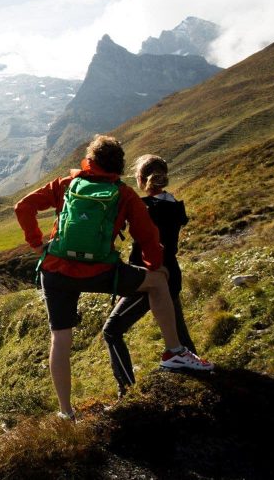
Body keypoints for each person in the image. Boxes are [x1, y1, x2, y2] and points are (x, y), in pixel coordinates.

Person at [14, 135, 212, 420]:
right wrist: (156, 265)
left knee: (60, 338)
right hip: (101, 272)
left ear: (90, 161)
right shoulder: (125, 194)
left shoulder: (66, 184)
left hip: (55, 271)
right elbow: (147, 236)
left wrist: (36, 244)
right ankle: (174, 352)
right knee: (157, 282)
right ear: (118, 166)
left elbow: (22, 207)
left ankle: (66, 413)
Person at [103, 155, 201, 398]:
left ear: (140, 178)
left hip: (149, 278)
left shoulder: (143, 206)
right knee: (178, 336)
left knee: (112, 331)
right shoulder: (175, 205)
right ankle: (199, 379)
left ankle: (126, 391)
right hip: (172, 276)